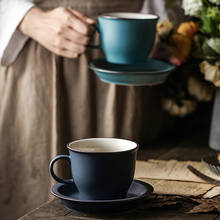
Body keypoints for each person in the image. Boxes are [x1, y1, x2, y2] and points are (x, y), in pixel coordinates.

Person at [0, 0, 183, 219]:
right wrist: (27, 18)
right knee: (33, 189)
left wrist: (152, 31)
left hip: (130, 78)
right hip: (38, 62)